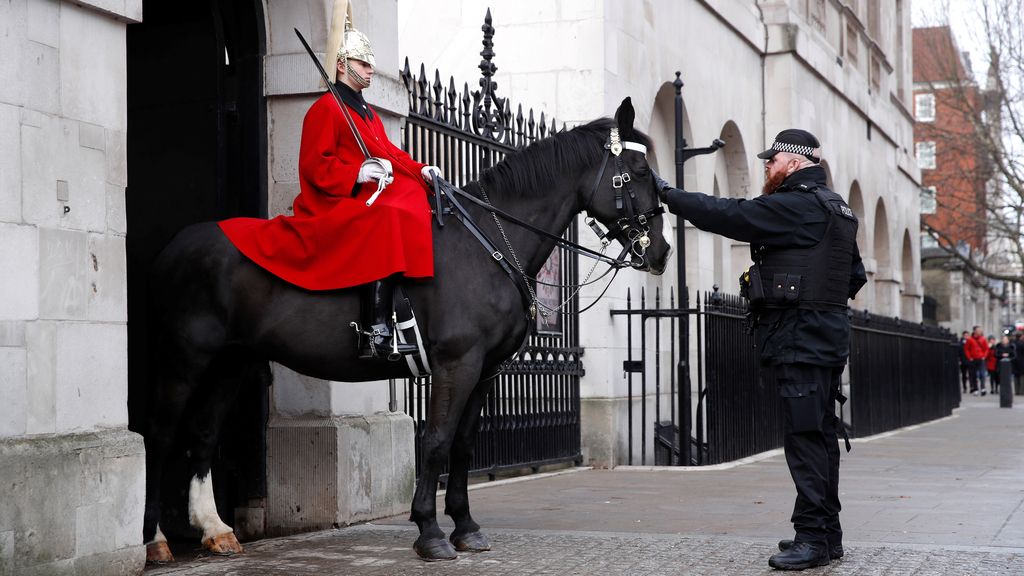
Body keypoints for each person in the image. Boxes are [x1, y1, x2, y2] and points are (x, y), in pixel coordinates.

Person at [654, 129, 865, 570]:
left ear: (794, 161)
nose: (766, 167)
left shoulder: (799, 204)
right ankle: (827, 536)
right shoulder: (839, 210)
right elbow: (855, 276)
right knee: (821, 436)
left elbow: (733, 215)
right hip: (824, 338)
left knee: (806, 440)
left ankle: (813, 538)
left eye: (772, 161)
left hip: (800, 339)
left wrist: (669, 195)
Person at [218, 14, 440, 359]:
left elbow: (390, 153)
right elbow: (314, 164)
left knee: (411, 197)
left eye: (369, 64)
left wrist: (420, 168)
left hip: (364, 195)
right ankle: (374, 329)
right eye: (362, 63)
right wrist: (357, 173)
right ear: (341, 65)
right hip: (333, 200)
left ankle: (405, 307)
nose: (369, 70)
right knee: (386, 215)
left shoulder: (367, 114)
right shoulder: (325, 110)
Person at [965, 327, 989, 395]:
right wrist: (969, 357)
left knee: (982, 374)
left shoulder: (983, 339)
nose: (980, 332)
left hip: (981, 358)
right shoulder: (970, 340)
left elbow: (986, 348)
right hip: (973, 359)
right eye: (978, 331)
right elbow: (966, 349)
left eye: (980, 331)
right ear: (975, 331)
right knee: (973, 374)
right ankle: (975, 389)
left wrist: (984, 356)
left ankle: (983, 388)